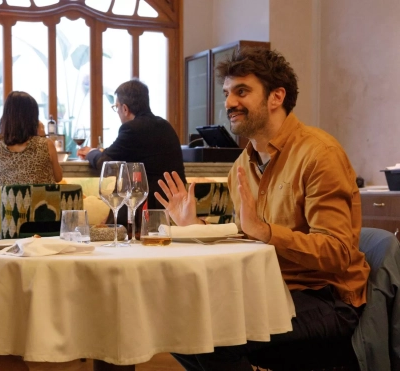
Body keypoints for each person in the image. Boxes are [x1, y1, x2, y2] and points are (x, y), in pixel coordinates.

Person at [155, 48, 370, 370]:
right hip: (267, 289)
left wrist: (267, 233)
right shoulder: (243, 164)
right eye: (227, 93)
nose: (228, 103)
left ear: (276, 97)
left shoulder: (318, 154)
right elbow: (240, 237)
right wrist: (193, 225)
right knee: (174, 322)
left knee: (212, 334)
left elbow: (338, 252)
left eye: (242, 91)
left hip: (326, 299)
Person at [77, 79, 186, 224]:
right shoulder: (165, 125)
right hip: (178, 207)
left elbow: (105, 162)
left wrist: (90, 152)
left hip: (150, 210)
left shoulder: (132, 129)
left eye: (117, 107)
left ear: (125, 109)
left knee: (113, 218)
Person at [0, 91, 63, 188]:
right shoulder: (46, 144)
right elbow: (58, 177)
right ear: (33, 119)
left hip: (7, 205)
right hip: (41, 204)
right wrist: (42, 135)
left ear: (6, 117)